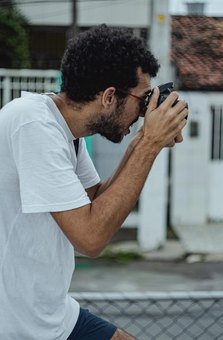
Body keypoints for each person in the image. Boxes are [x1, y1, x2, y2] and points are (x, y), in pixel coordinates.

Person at [0, 25, 188, 339]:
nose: (143, 114)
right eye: (142, 102)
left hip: (51, 314)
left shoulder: (64, 132)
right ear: (109, 97)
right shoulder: (32, 123)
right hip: (15, 325)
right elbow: (90, 238)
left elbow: (95, 203)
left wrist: (143, 139)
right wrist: (149, 145)